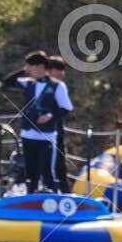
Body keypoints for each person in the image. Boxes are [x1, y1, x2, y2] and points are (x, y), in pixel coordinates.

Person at [1, 50, 63, 193]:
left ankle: (56, 194)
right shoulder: (29, 83)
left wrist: (50, 116)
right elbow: (7, 82)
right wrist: (24, 70)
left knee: (50, 168)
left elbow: (62, 107)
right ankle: (33, 194)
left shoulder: (55, 85)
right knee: (32, 169)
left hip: (50, 130)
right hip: (32, 132)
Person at [47, 54, 75, 192]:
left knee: (60, 165)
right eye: (59, 70)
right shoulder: (37, 84)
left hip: (56, 130)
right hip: (39, 133)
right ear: (49, 70)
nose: (61, 73)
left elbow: (66, 108)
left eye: (62, 70)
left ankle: (66, 194)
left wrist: (50, 116)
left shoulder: (59, 86)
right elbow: (8, 82)